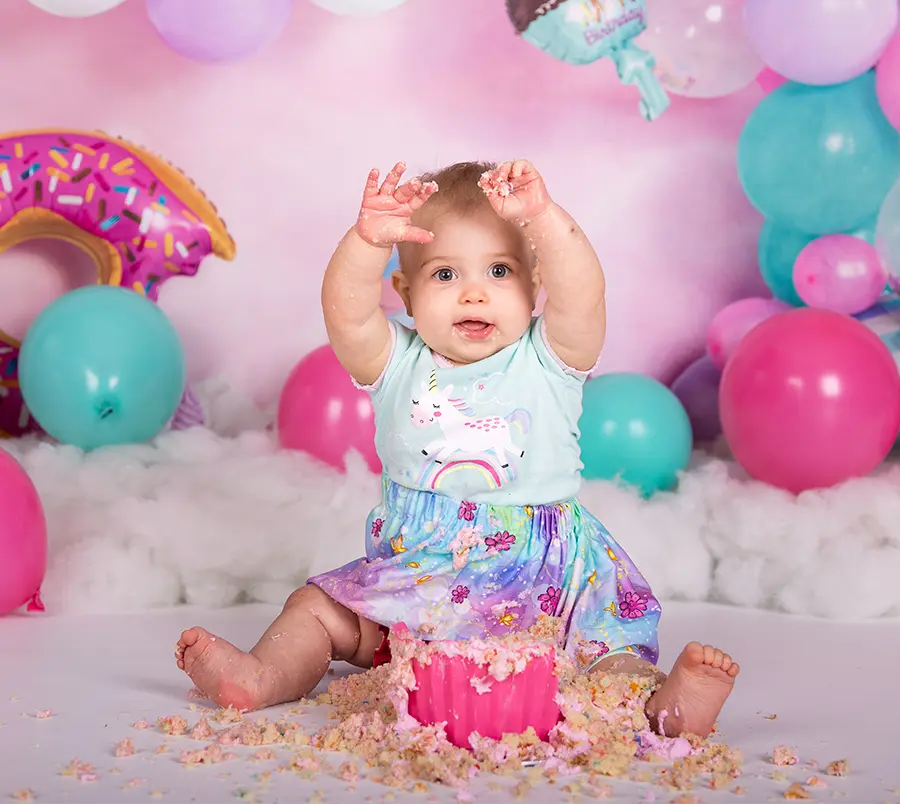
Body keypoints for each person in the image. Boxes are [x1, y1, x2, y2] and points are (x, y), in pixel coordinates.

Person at [175, 159, 739, 739]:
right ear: (406, 292)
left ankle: (664, 707)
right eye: (445, 275)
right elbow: (345, 312)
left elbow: (584, 293)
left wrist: (542, 218)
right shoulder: (397, 364)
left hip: (545, 583)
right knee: (317, 609)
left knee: (603, 655)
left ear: (534, 283)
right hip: (420, 576)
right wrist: (367, 241)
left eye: (500, 269)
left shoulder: (550, 359)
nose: (474, 291)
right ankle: (262, 674)